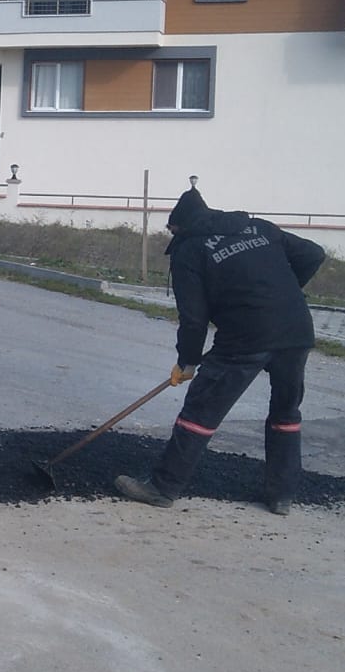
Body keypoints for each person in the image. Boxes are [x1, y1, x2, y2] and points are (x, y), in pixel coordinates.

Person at [115, 187, 325, 515]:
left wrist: (187, 361)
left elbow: (194, 318)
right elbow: (313, 254)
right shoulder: (258, 227)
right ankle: (281, 496)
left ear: (180, 227)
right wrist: (280, 292)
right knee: (286, 411)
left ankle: (162, 488)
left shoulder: (189, 250)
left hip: (245, 337)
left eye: (171, 231)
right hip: (295, 329)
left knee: (201, 410)